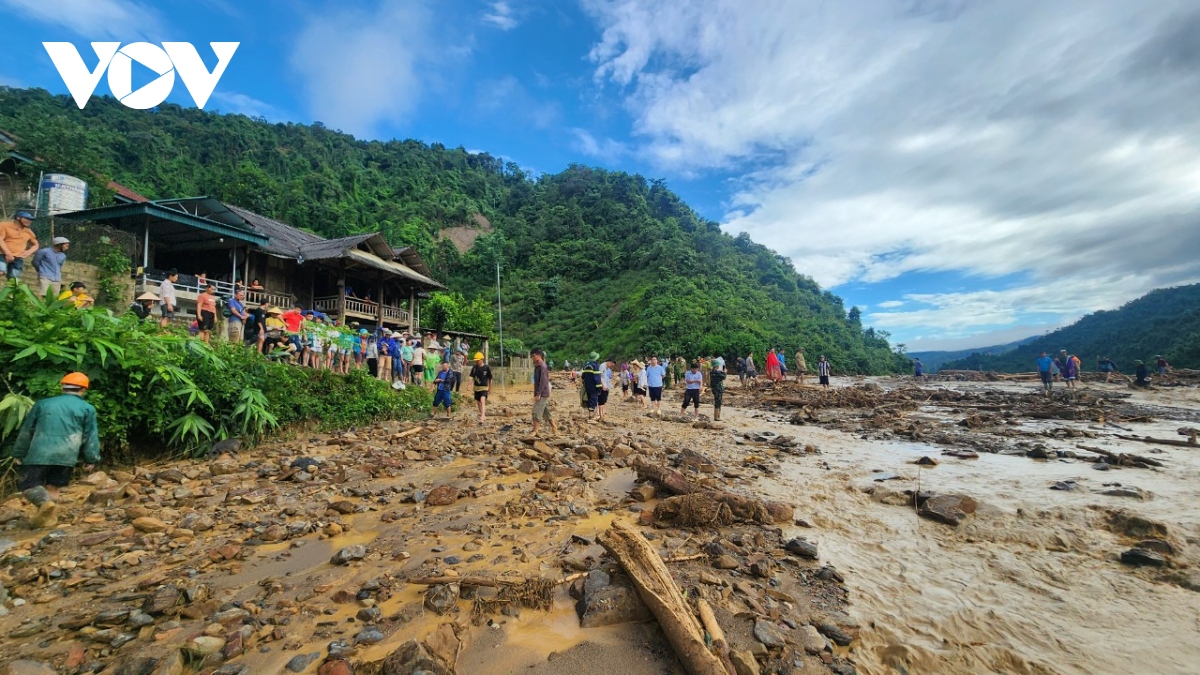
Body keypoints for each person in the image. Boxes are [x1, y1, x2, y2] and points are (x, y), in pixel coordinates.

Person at [8, 372, 100, 529]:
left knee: (28, 485)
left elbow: (27, 430)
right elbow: (90, 436)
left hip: (40, 453)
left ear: (62, 387)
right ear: (83, 390)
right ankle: (48, 521)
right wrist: (91, 459)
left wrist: (18, 452)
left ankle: (45, 503)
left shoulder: (42, 404)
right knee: (54, 486)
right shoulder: (87, 408)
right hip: (67, 455)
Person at [0, 210, 38, 282]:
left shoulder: (28, 232)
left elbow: (36, 244)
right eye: (27, 219)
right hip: (2, 254)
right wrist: (8, 253)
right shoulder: (4, 225)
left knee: (14, 280)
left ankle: (8, 293)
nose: (29, 221)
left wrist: (28, 252)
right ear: (18, 218)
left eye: (31, 220)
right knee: (1, 271)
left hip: (18, 257)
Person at [531, 348, 558, 436]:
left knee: (536, 410)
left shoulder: (542, 366)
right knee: (545, 411)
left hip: (542, 393)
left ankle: (536, 430)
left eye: (533, 356)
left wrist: (538, 394)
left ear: (539, 355)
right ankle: (554, 427)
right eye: (532, 356)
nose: (532, 358)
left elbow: (543, 381)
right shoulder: (538, 365)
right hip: (542, 392)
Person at [469, 352, 492, 423]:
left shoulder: (487, 368)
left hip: (484, 387)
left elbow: (490, 379)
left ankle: (483, 415)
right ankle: (482, 414)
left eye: (478, 360)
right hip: (476, 388)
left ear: (482, 360)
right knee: (478, 402)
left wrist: (490, 388)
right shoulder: (474, 368)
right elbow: (471, 377)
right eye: (476, 360)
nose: (477, 362)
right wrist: (468, 385)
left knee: (482, 400)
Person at [581, 352, 602, 419]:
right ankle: (591, 416)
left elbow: (583, 376)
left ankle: (590, 414)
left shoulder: (586, 366)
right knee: (593, 400)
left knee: (589, 399)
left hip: (587, 386)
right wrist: (599, 387)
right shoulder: (595, 366)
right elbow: (597, 378)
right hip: (593, 387)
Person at [597, 357, 613, 422]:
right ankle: (601, 416)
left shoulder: (606, 368)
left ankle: (602, 414)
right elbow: (599, 376)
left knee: (603, 401)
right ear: (609, 362)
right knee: (601, 402)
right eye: (611, 364)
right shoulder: (602, 366)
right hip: (603, 386)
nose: (611, 366)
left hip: (606, 386)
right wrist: (603, 385)